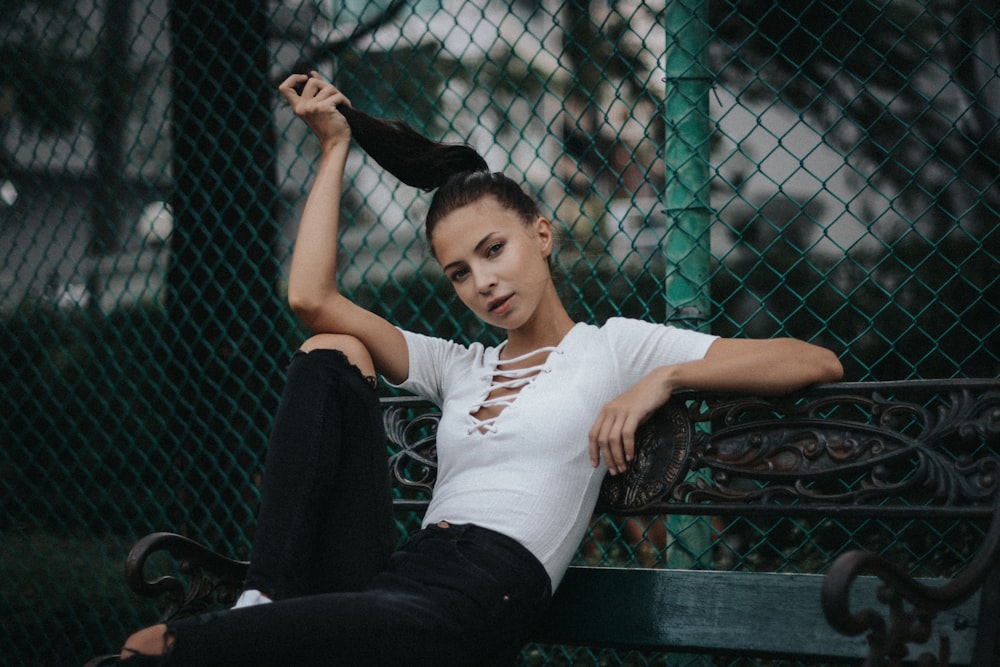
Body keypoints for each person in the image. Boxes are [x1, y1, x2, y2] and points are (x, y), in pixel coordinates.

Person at [112, 72, 844, 666]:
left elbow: (813, 360)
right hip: (399, 578)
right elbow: (311, 299)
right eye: (460, 272)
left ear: (543, 233)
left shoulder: (612, 347)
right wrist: (334, 147)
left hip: (477, 600)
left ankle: (226, 638)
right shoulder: (459, 365)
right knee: (333, 352)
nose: (484, 282)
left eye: (494, 250)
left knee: (157, 648)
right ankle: (261, 602)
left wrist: (665, 378)